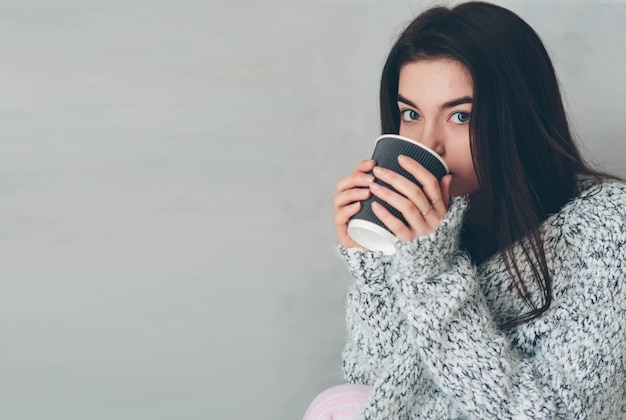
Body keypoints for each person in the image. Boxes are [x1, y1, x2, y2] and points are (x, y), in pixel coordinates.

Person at [303, 1, 626, 419]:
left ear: (519, 118)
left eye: (460, 116)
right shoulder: (429, 230)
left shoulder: (608, 228)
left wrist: (435, 274)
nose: (429, 142)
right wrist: (375, 268)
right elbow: (375, 391)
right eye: (411, 114)